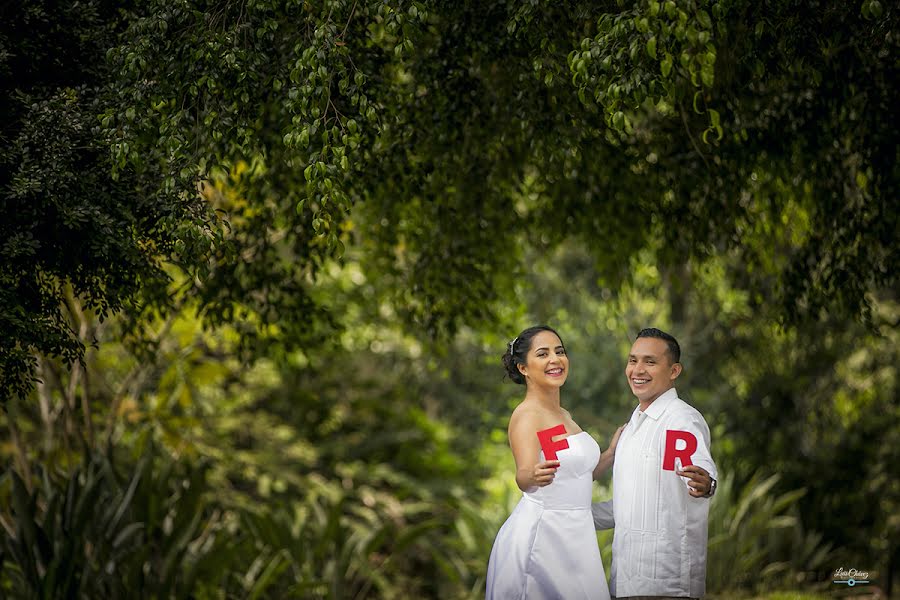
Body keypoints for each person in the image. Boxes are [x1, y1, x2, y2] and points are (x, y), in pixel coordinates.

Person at [486, 325, 623, 600]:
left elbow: (574, 474)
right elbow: (524, 476)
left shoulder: (564, 414)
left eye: (559, 351)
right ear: (523, 367)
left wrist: (609, 454)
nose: (555, 359)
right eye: (543, 353)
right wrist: (533, 476)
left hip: (577, 534)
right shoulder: (527, 415)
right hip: (545, 537)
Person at [592, 328, 717, 600]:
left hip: (666, 583)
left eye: (650, 361)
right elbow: (627, 506)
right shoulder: (632, 427)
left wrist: (705, 483)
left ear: (674, 371)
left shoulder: (679, 421)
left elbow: (698, 475)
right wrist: (569, 515)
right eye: (632, 360)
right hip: (625, 580)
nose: (638, 369)